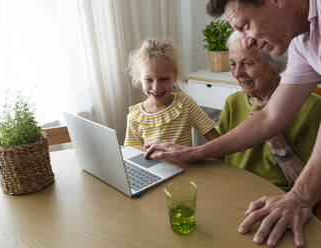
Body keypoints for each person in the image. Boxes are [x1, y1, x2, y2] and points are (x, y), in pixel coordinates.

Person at [144, 0, 321, 247]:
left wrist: (300, 197)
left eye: (246, 25)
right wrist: (195, 152)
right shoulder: (304, 45)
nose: (246, 41)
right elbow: (270, 117)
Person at [220, 31, 321, 192]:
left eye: (248, 63)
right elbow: (219, 160)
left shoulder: (311, 106)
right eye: (233, 64)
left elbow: (309, 185)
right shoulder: (233, 102)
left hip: (277, 195)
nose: (238, 73)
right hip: (231, 189)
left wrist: (274, 137)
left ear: (275, 65)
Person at [124, 38, 218, 147]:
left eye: (163, 79)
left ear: (175, 76)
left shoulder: (186, 104)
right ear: (138, 77)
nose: (156, 88)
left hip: (185, 164)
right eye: (149, 80)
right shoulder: (134, 117)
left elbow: (215, 139)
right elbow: (130, 155)